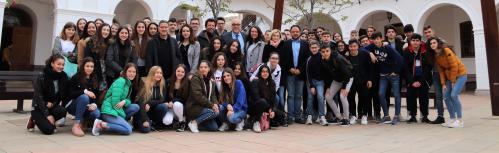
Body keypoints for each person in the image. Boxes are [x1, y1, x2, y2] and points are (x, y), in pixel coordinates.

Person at [428, 37, 467, 128]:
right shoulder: (436, 55)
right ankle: (453, 119)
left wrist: (453, 81)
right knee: (446, 96)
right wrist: (443, 84)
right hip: (449, 77)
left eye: (434, 42)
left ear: (438, 43)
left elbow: (454, 66)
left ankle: (460, 121)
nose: (432, 45)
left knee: (453, 95)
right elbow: (441, 71)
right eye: (431, 43)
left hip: (460, 75)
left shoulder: (446, 50)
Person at [365, 32, 404, 125]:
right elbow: (361, 49)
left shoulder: (388, 48)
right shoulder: (372, 47)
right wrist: (370, 53)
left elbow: (400, 60)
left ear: (381, 39)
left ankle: (396, 116)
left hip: (393, 76)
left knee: (396, 95)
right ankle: (386, 116)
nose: (376, 41)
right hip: (383, 76)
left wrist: (396, 71)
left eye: (378, 39)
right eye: (374, 39)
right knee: (381, 94)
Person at [92, 63, 140, 135]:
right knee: (128, 130)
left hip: (116, 110)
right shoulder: (121, 81)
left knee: (136, 107)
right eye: (129, 71)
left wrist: (124, 101)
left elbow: (129, 100)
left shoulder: (128, 84)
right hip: (109, 112)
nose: (132, 74)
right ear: (125, 72)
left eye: (134, 72)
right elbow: (115, 102)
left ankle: (120, 122)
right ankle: (101, 125)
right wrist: (123, 116)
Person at [27, 54, 69, 135]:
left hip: (52, 106)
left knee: (62, 111)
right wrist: (48, 115)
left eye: (63, 64)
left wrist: (53, 104)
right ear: (52, 64)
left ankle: (48, 121)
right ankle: (33, 119)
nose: (61, 66)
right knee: (49, 130)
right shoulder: (42, 76)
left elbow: (61, 96)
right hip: (39, 107)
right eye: (58, 64)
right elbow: (38, 96)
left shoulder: (63, 76)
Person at [281, 25, 310, 124]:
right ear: (290, 32)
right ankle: (290, 116)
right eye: (293, 31)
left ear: (300, 32)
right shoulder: (286, 44)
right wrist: (290, 68)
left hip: (300, 74)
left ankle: (298, 116)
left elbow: (307, 59)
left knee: (298, 95)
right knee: (291, 95)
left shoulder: (305, 44)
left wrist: (300, 70)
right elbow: (284, 58)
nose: (295, 33)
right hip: (290, 73)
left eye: (297, 31)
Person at [67, 57, 101, 136]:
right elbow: (70, 94)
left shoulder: (94, 78)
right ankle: (76, 125)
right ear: (83, 66)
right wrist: (84, 91)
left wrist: (94, 104)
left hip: (86, 105)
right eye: (87, 66)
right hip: (73, 105)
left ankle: (84, 120)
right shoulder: (76, 77)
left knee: (96, 113)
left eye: (91, 67)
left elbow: (96, 95)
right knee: (84, 97)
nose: (90, 68)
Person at [321, 45, 353, 126]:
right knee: (328, 97)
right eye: (323, 52)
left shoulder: (337, 58)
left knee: (342, 96)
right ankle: (339, 117)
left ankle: (346, 118)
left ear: (330, 51)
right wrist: (328, 87)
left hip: (348, 78)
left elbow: (347, 73)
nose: (325, 53)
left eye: (327, 51)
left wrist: (344, 87)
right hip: (337, 80)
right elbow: (327, 75)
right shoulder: (324, 61)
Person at [403, 34, 432, 124]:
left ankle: (424, 116)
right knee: (411, 96)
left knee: (424, 97)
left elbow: (428, 68)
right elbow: (406, 68)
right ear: (410, 41)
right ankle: (412, 116)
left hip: (423, 78)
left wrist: (420, 81)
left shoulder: (425, 51)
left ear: (420, 41)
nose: (415, 42)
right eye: (413, 40)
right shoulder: (407, 51)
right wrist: (412, 81)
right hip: (411, 78)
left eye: (417, 40)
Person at [249, 65, 286, 132]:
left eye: (266, 72)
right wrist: (269, 108)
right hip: (256, 106)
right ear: (260, 72)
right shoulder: (255, 82)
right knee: (262, 101)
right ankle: (256, 122)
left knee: (282, 115)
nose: (265, 73)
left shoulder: (271, 83)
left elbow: (273, 99)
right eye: (263, 72)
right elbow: (256, 98)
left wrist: (272, 110)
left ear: (269, 73)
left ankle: (270, 121)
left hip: (266, 107)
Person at [186, 61, 219, 133]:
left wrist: (215, 104)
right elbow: (198, 95)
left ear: (209, 69)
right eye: (201, 67)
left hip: (205, 108)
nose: (203, 69)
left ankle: (196, 122)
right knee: (214, 112)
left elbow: (213, 95)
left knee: (214, 128)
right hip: (194, 107)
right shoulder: (195, 78)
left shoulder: (211, 81)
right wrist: (211, 105)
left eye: (205, 67)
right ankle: (193, 123)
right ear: (198, 69)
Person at [134, 66, 168, 133]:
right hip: (143, 111)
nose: (159, 75)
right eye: (157, 73)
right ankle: (141, 121)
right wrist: (145, 120)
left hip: (152, 109)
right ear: (152, 74)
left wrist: (149, 103)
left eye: (160, 73)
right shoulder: (144, 83)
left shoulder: (162, 83)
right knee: (145, 130)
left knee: (163, 106)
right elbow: (141, 102)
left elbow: (161, 99)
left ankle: (154, 123)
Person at [345, 39, 372, 125]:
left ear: (358, 46)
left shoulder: (364, 54)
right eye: (351, 46)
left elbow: (369, 68)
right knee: (351, 99)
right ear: (349, 47)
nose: (353, 48)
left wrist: (369, 79)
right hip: (351, 81)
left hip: (363, 80)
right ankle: (353, 115)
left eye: (354, 46)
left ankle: (364, 115)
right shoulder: (346, 57)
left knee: (364, 98)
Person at [304, 41, 328, 126]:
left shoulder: (322, 57)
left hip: (320, 82)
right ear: (310, 49)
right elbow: (308, 74)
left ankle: (322, 116)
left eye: (315, 47)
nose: (314, 49)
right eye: (312, 48)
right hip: (311, 82)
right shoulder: (309, 59)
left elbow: (326, 71)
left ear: (318, 48)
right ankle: (309, 116)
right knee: (310, 98)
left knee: (320, 97)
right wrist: (311, 86)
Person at [84, 23, 112, 89]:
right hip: (95, 69)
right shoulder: (91, 41)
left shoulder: (109, 43)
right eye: (104, 29)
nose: (106, 32)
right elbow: (87, 58)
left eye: (108, 30)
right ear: (99, 30)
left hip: (106, 70)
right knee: (95, 89)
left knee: (104, 90)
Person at [167, 64, 190, 131]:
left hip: (181, 108)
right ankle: (175, 121)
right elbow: (165, 96)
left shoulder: (188, 83)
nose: (180, 73)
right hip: (170, 108)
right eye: (178, 71)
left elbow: (185, 99)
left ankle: (181, 122)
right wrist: (167, 103)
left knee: (177, 104)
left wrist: (173, 101)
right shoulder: (169, 81)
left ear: (185, 73)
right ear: (175, 72)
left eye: (182, 72)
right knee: (167, 121)